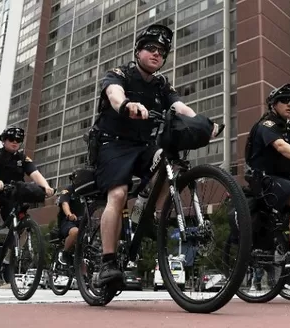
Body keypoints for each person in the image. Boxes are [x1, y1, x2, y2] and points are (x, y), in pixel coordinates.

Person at [92, 24, 220, 288]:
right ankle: (107, 262)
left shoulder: (162, 84)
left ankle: (144, 215)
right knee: (117, 195)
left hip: (142, 146)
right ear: (138, 51)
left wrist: (204, 124)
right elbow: (114, 95)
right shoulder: (119, 74)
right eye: (150, 48)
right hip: (112, 144)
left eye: (162, 51)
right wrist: (127, 105)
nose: (156, 54)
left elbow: (179, 106)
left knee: (169, 160)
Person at [244, 82, 290, 267]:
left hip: (284, 180)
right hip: (266, 179)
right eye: (284, 101)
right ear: (273, 105)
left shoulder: (287, 125)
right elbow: (280, 146)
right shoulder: (267, 124)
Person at [0, 126, 55, 263]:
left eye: (18, 140)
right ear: (3, 141)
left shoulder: (22, 158)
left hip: (11, 195)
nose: (15, 142)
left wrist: (46, 187)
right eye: (11, 139)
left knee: (23, 224)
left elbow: (35, 174)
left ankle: (9, 258)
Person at [55, 170, 85, 265]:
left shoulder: (85, 192)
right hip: (68, 222)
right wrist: (69, 215)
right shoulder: (67, 190)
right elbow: (64, 203)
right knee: (75, 232)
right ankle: (65, 253)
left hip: (82, 222)